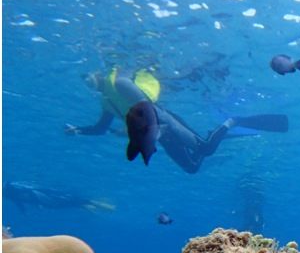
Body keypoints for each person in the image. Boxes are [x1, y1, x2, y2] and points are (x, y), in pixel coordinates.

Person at [66, 67, 288, 174]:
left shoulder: (120, 83)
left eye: (86, 77)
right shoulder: (107, 102)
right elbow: (100, 128)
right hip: (156, 132)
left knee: (206, 149)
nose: (88, 83)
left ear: (96, 73)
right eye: (85, 82)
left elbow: (145, 105)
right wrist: (77, 130)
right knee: (191, 167)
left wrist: (135, 131)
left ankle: (232, 121)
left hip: (165, 122)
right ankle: (215, 133)